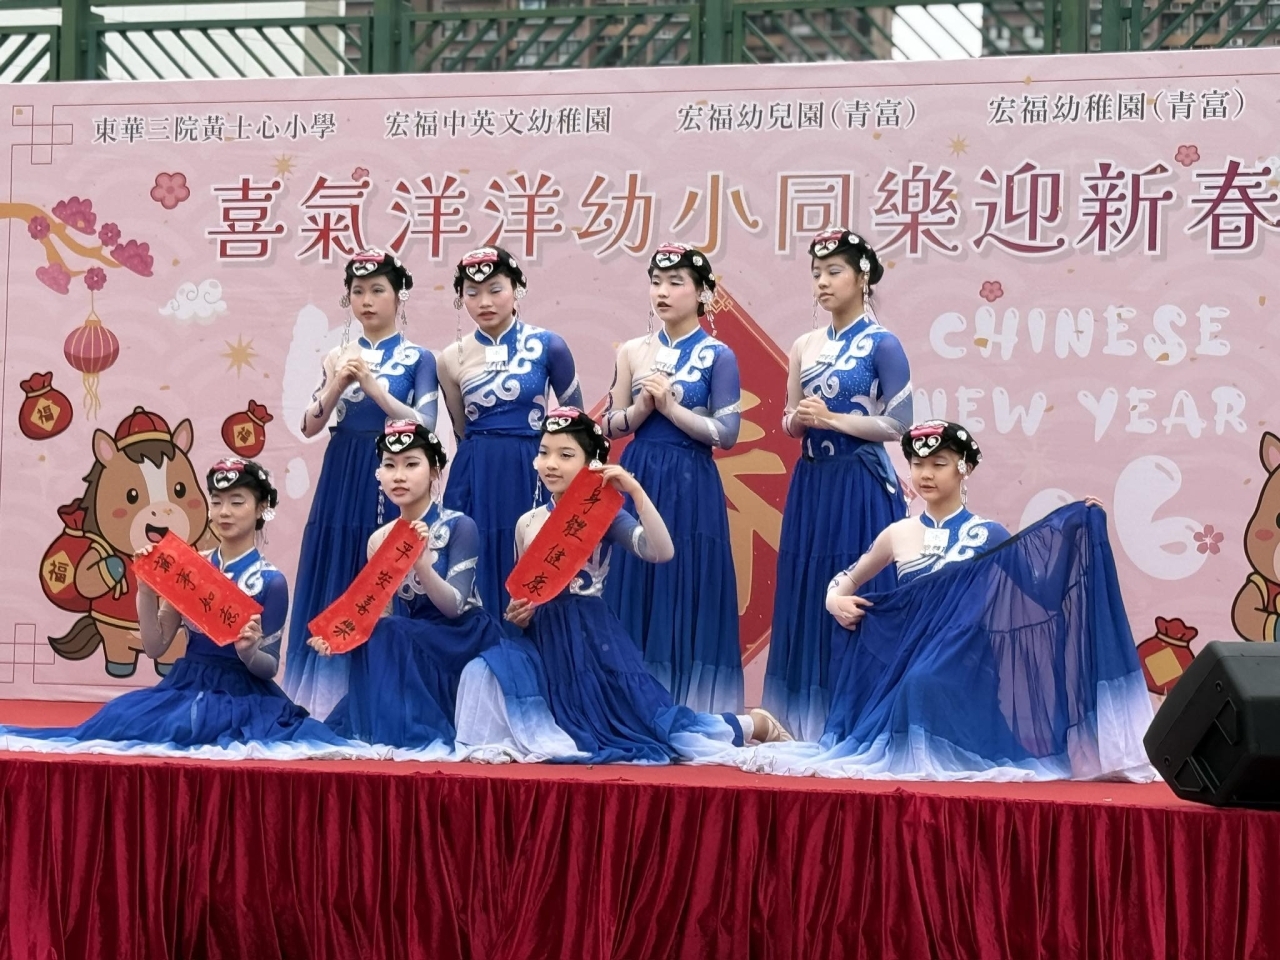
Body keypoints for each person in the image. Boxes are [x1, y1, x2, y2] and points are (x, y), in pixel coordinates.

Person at [741, 421, 1155, 781]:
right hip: (910, 657)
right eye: (918, 464)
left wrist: (1078, 528)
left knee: (923, 682)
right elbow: (843, 582)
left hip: (969, 663)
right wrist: (836, 601)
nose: (926, 474)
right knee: (917, 681)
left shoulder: (989, 535)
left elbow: (1041, 593)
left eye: (939, 464)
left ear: (964, 469)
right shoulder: (898, 533)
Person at [455, 408, 788, 764]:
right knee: (482, 671)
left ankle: (752, 724)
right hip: (543, 639)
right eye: (544, 452)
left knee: (645, 722)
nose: (551, 464)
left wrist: (636, 492)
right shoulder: (527, 522)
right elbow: (526, 594)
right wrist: (519, 613)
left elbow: (660, 551)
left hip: (591, 637)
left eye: (565, 455)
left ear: (591, 464)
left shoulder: (605, 515)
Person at [1, 459, 353, 759]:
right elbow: (156, 646)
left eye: (237, 502)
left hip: (242, 694)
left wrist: (248, 652)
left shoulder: (271, 582)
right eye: (217, 502)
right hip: (184, 684)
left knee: (198, 727)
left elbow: (268, 667)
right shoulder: (189, 568)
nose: (224, 512)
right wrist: (146, 591)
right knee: (119, 718)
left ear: (261, 508)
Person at [763, 228, 912, 742]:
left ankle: (859, 716)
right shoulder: (804, 345)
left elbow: (900, 424)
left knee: (858, 587)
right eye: (816, 274)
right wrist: (800, 421)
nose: (822, 283)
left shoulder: (883, 344)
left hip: (860, 483)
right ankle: (802, 720)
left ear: (862, 277)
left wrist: (833, 420)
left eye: (834, 272)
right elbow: (789, 420)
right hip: (813, 483)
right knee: (807, 588)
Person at [284, 249, 438, 719]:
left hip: (392, 472)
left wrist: (374, 388)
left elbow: (427, 425)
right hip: (343, 470)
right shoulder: (337, 354)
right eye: (358, 292)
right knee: (337, 562)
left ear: (398, 295)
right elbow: (310, 424)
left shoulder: (418, 358)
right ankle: (323, 696)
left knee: (387, 569)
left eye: (377, 291)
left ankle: (386, 693)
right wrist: (337, 384)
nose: (366, 301)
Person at [602, 243, 744, 715]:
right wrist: (642, 409)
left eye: (675, 283)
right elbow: (609, 425)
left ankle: (688, 708)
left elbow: (727, 433)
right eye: (656, 282)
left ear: (703, 293)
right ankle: (629, 703)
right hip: (639, 473)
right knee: (635, 578)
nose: (662, 292)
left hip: (691, 482)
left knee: (687, 580)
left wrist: (670, 408)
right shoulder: (632, 351)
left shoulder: (718, 355)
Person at [308, 421, 503, 754]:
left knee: (393, 631)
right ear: (379, 475)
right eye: (389, 466)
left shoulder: (459, 526)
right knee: (382, 632)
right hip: (416, 633)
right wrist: (338, 638)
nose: (398, 476)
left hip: (463, 633)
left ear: (434, 471)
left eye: (411, 464)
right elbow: (375, 614)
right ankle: (391, 728)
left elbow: (455, 607)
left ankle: (410, 731)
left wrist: (423, 566)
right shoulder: (380, 540)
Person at [437, 245, 583, 626]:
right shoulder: (450, 358)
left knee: (536, 555)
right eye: (472, 293)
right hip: (476, 472)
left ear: (517, 288)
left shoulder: (549, 346)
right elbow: (461, 427)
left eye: (495, 289)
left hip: (534, 468)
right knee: (474, 557)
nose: (484, 302)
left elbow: (578, 425)